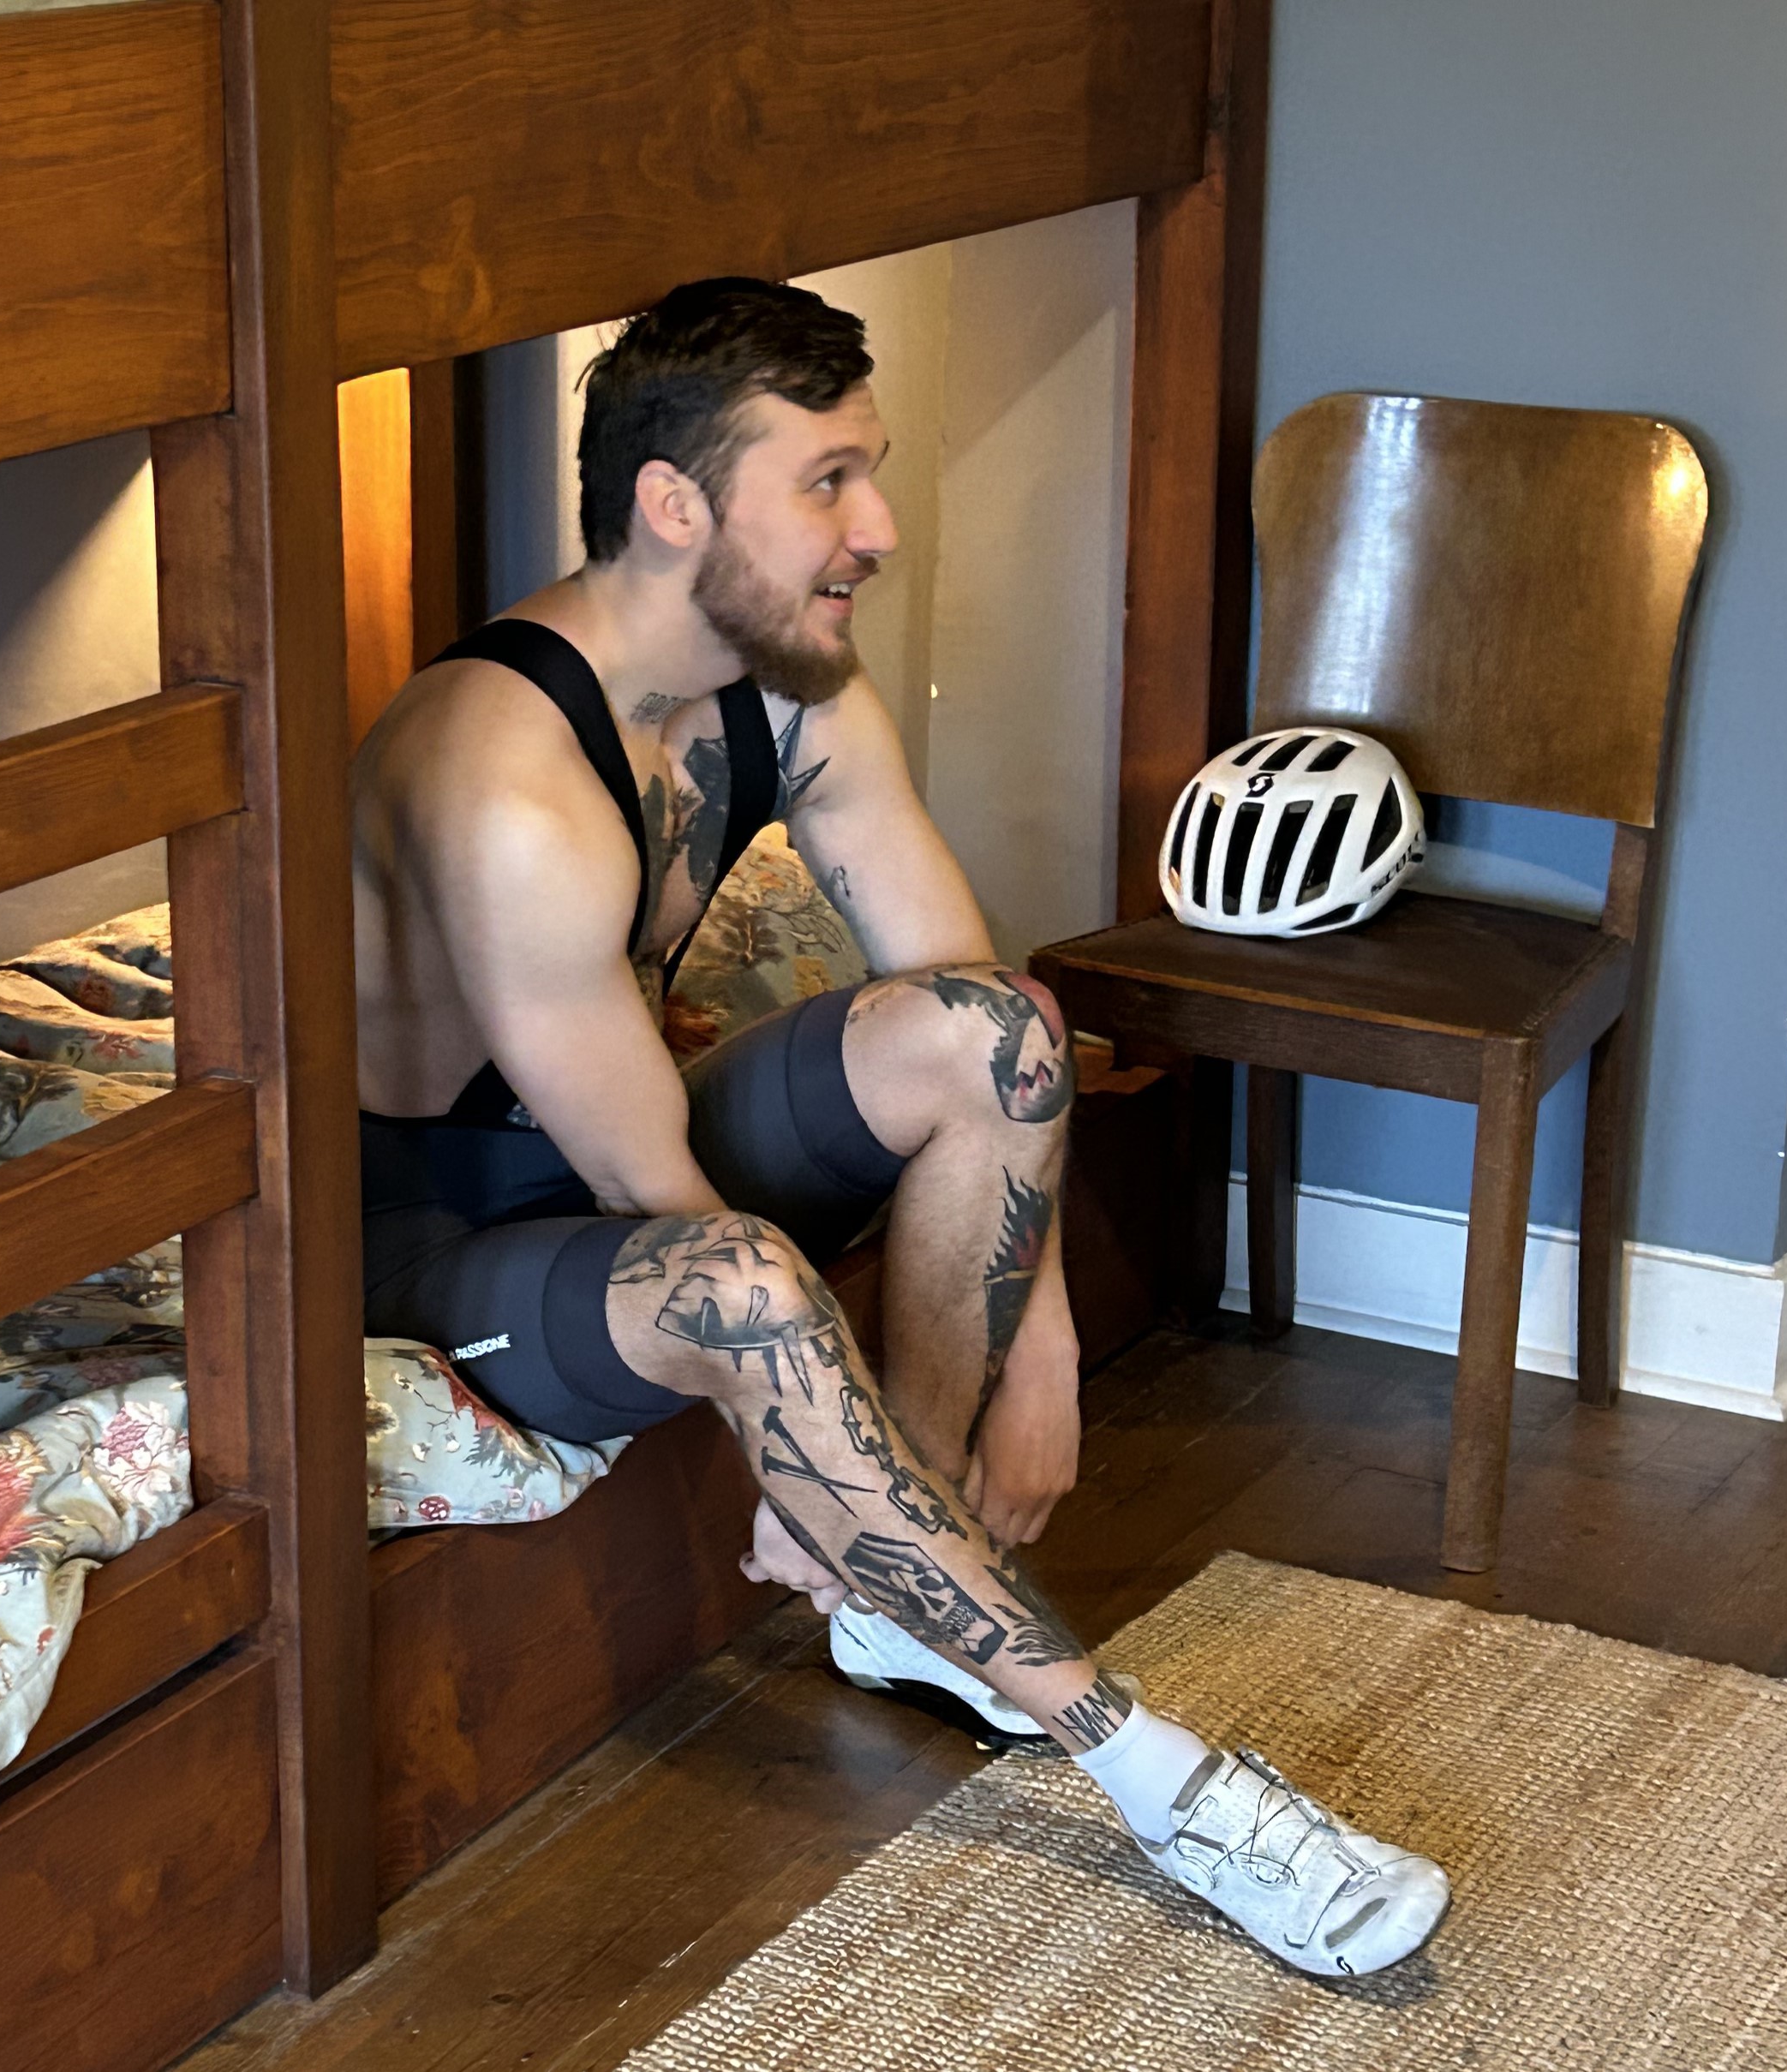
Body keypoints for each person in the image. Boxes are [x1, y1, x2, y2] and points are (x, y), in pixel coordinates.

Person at [350, 277, 1449, 1976]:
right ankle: (1173, 1787)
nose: (877, 527)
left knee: (1000, 1033)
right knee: (745, 1291)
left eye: (873, 474)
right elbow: (672, 1211)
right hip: (445, 1228)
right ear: (674, 504)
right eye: (829, 483)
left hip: (621, 1157)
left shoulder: (786, 682)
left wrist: (1045, 1342)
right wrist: (793, 1434)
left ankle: (894, 1588)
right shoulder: (502, 778)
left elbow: (972, 997)